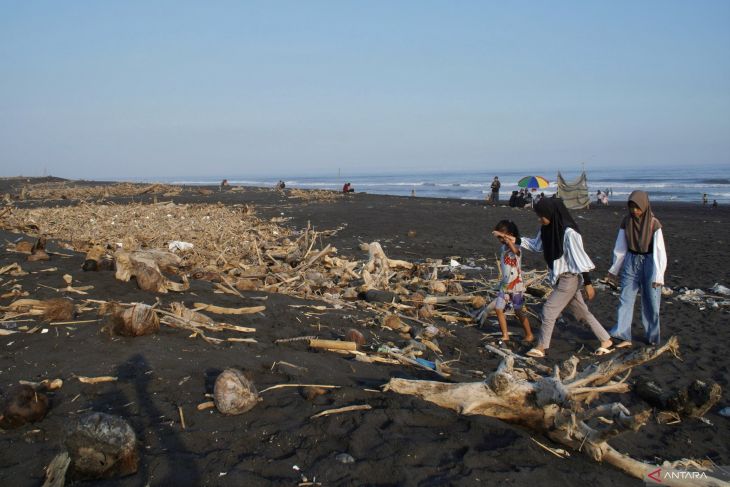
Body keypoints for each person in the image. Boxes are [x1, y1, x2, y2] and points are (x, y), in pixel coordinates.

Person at [520, 198, 613, 358]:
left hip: (569, 278)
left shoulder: (569, 233)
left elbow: (580, 259)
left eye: (541, 215)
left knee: (549, 310)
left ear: (551, 213)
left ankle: (541, 347)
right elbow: (536, 246)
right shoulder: (546, 229)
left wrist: (588, 283)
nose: (539, 219)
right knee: (581, 312)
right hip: (559, 278)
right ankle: (606, 340)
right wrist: (514, 239)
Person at [606, 191, 667, 347]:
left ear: (644, 206)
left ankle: (652, 336)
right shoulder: (626, 221)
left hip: (650, 262)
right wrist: (613, 270)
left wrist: (659, 276)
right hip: (631, 260)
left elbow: (660, 251)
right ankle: (622, 334)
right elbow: (620, 247)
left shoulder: (654, 223)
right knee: (625, 298)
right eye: (632, 207)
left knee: (651, 301)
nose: (634, 210)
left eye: (637, 207)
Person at [491, 220, 534, 346]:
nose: (500, 240)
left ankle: (529, 334)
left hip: (516, 285)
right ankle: (505, 335)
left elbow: (516, 252)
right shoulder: (503, 248)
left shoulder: (517, 247)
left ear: (509, 234)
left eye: (502, 237)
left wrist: (508, 240)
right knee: (499, 309)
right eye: (499, 237)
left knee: (518, 310)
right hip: (505, 284)